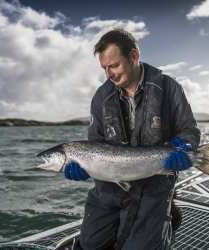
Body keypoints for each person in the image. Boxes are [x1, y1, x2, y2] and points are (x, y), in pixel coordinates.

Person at [64, 29, 200, 250]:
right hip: (110, 186)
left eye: (114, 65)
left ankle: (167, 217)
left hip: (154, 183)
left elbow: (189, 129)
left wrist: (186, 146)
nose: (109, 74)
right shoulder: (100, 97)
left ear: (134, 56)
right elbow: (95, 143)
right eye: (104, 68)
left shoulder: (169, 87)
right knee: (90, 244)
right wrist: (84, 167)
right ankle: (165, 214)